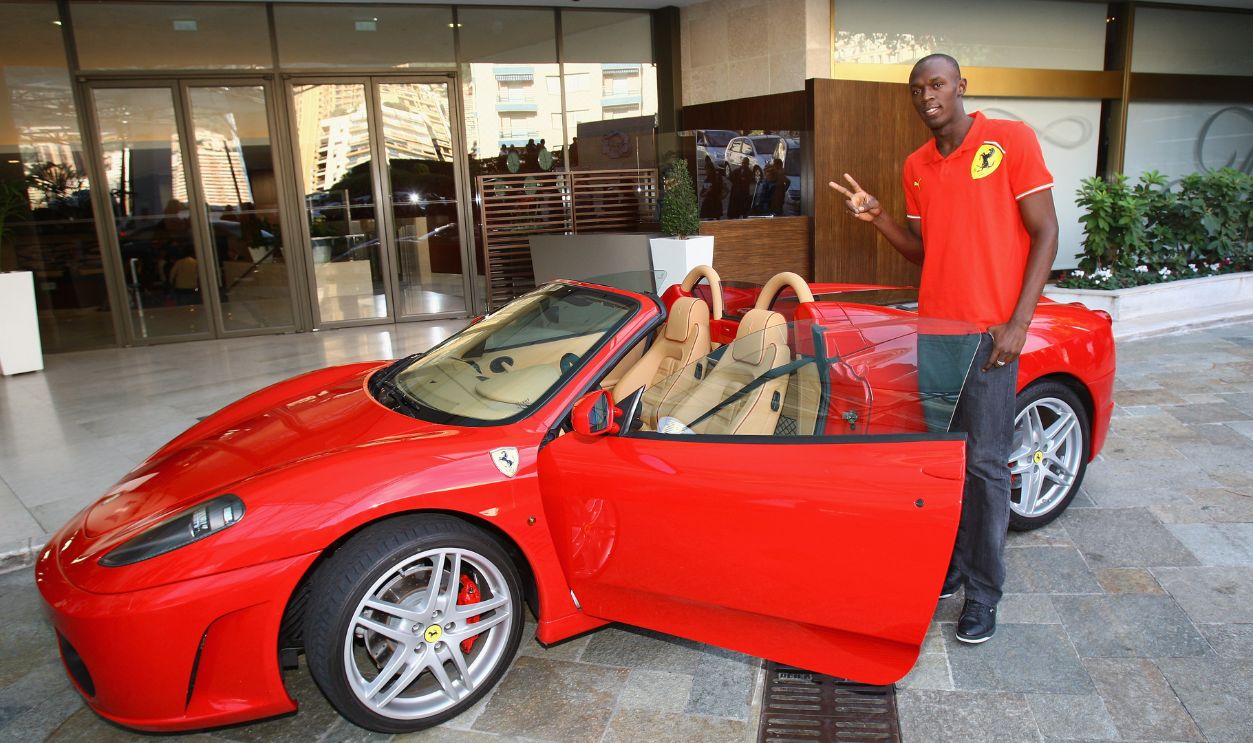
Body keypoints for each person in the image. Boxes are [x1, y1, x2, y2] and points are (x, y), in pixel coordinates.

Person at [829, 53, 1058, 644]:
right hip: (936, 335)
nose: (926, 95)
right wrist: (880, 217)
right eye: (916, 89)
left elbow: (1046, 232)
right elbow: (926, 252)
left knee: (985, 466)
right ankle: (953, 567)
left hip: (989, 337)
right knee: (947, 462)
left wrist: (1018, 323)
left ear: (960, 86)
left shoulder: (1010, 140)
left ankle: (983, 593)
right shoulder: (916, 165)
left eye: (936, 84)